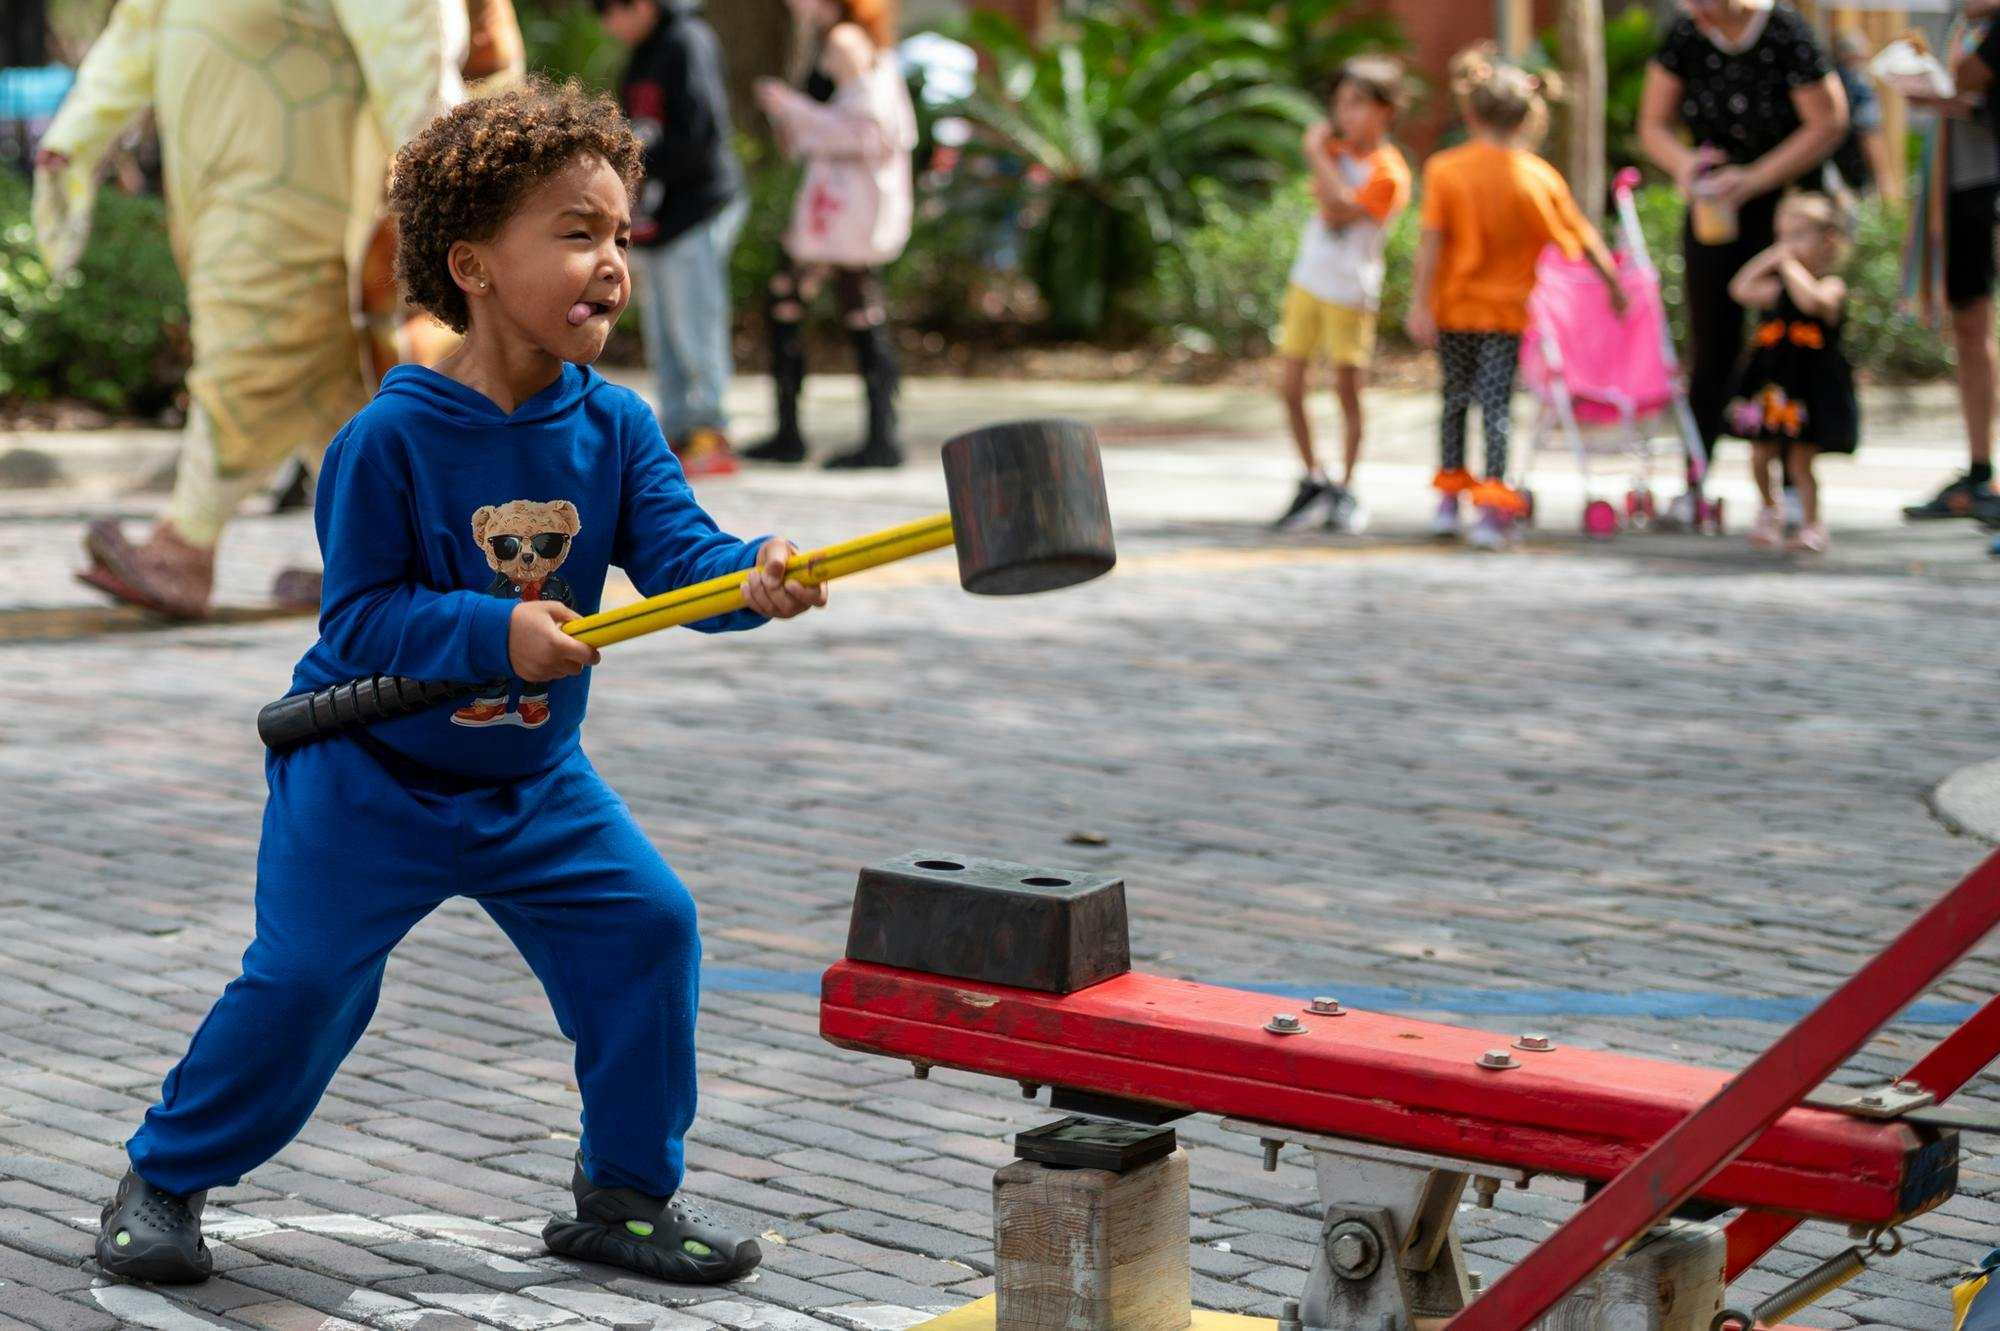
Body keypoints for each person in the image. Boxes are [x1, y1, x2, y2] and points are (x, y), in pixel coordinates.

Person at [88, 79, 824, 1288]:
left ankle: (624, 1197)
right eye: (575, 233)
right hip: (368, 777)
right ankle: (163, 1177)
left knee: (648, 927)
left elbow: (683, 563)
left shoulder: (620, 428)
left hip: (533, 781)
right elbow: (365, 614)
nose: (610, 264)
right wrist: (501, 635)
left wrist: (752, 577)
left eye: (618, 236)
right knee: (307, 980)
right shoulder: (389, 438)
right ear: (473, 265)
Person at [34, 0, 510, 621]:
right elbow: (138, 35)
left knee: (253, 348)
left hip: (298, 201)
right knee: (339, 393)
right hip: (221, 203)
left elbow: (408, 35)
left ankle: (185, 542)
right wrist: (74, 139)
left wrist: (439, 176)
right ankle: (393, 564)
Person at [1406, 47, 1628, 550]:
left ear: (1470, 112)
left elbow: (1431, 242)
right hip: (1508, 314)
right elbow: (1581, 234)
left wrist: (1420, 303)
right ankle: (1491, 504)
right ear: (1529, 117)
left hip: (1455, 307)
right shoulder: (1538, 176)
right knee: (1497, 405)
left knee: (1454, 400)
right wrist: (1614, 283)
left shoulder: (1445, 169)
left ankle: (1449, 496)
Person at [1639, 0, 1847, 526]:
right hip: (1715, 212)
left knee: (1792, 342)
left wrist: (1756, 178)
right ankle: (1694, 480)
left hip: (1785, 210)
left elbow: (1828, 121)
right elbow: (1654, 125)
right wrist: (1686, 164)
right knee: (1712, 344)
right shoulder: (1686, 35)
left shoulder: (1784, 33)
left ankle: (1796, 492)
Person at [743, 0, 917, 470]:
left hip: (843, 211)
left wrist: (789, 106)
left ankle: (822, 435)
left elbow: (870, 131)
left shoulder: (844, 40)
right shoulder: (834, 38)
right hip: (839, 209)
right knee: (845, 305)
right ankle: (869, 434)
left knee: (808, 301)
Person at [598, 0, 746, 480]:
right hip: (658, 216)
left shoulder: (687, 41)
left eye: (610, 10)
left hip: (696, 207)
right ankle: (680, 431)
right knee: (663, 329)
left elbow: (701, 131)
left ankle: (711, 431)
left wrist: (645, 162)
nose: (608, 23)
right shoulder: (643, 53)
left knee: (694, 323)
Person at [1270, 56, 1411, 534]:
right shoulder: (1338, 154)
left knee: (1347, 392)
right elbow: (1330, 202)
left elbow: (1339, 210)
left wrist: (1315, 153)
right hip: (1308, 280)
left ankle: (1347, 486)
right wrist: (1327, 161)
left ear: (1384, 109)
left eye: (1357, 104)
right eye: (1340, 105)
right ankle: (1313, 477)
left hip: (1350, 293)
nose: (1345, 115)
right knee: (1290, 385)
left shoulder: (1389, 171)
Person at [1905, 3, 2000, 522]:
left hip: (1987, 186)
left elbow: (1967, 78)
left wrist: (1957, 98)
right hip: (1960, 187)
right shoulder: (1957, 25)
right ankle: (1980, 471)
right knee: (1969, 327)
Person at [1726, 192, 1856, 554]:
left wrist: (1788, 265)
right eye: (1783, 236)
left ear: (1828, 241)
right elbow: (1739, 288)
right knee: (1759, 452)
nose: (1789, 245)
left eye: (1799, 236)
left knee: (1800, 459)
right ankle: (1770, 509)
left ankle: (1812, 523)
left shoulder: (1831, 285)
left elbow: (1811, 303)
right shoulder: (1777, 289)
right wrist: (1773, 257)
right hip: (1773, 386)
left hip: (1809, 388)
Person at [1831, 31, 1892, 199]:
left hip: (1830, 169)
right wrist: (1883, 182)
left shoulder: (1828, 80)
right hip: (1853, 170)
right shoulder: (1859, 85)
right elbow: (1869, 134)